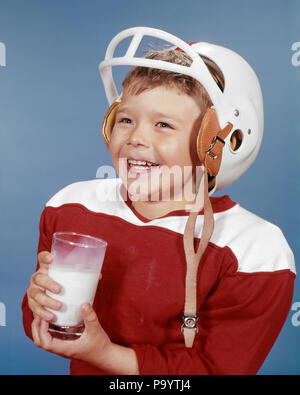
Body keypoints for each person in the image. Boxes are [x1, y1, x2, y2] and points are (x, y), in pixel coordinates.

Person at [22, 27, 296, 375]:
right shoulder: (71, 206)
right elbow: (43, 321)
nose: (136, 137)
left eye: (163, 125)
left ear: (214, 142)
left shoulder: (255, 251)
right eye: (125, 119)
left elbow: (216, 370)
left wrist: (105, 354)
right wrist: (40, 305)